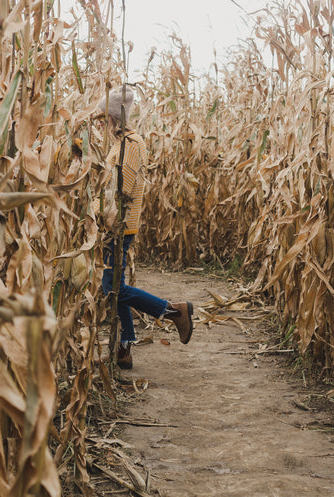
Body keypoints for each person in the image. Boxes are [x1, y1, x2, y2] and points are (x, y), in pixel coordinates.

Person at [96, 86, 194, 370]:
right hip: (113, 225)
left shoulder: (130, 144)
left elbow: (120, 190)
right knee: (117, 286)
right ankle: (124, 347)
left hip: (118, 226)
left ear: (116, 117)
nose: (100, 123)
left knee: (111, 289)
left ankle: (174, 311)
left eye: (105, 117)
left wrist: (96, 215)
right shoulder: (120, 142)